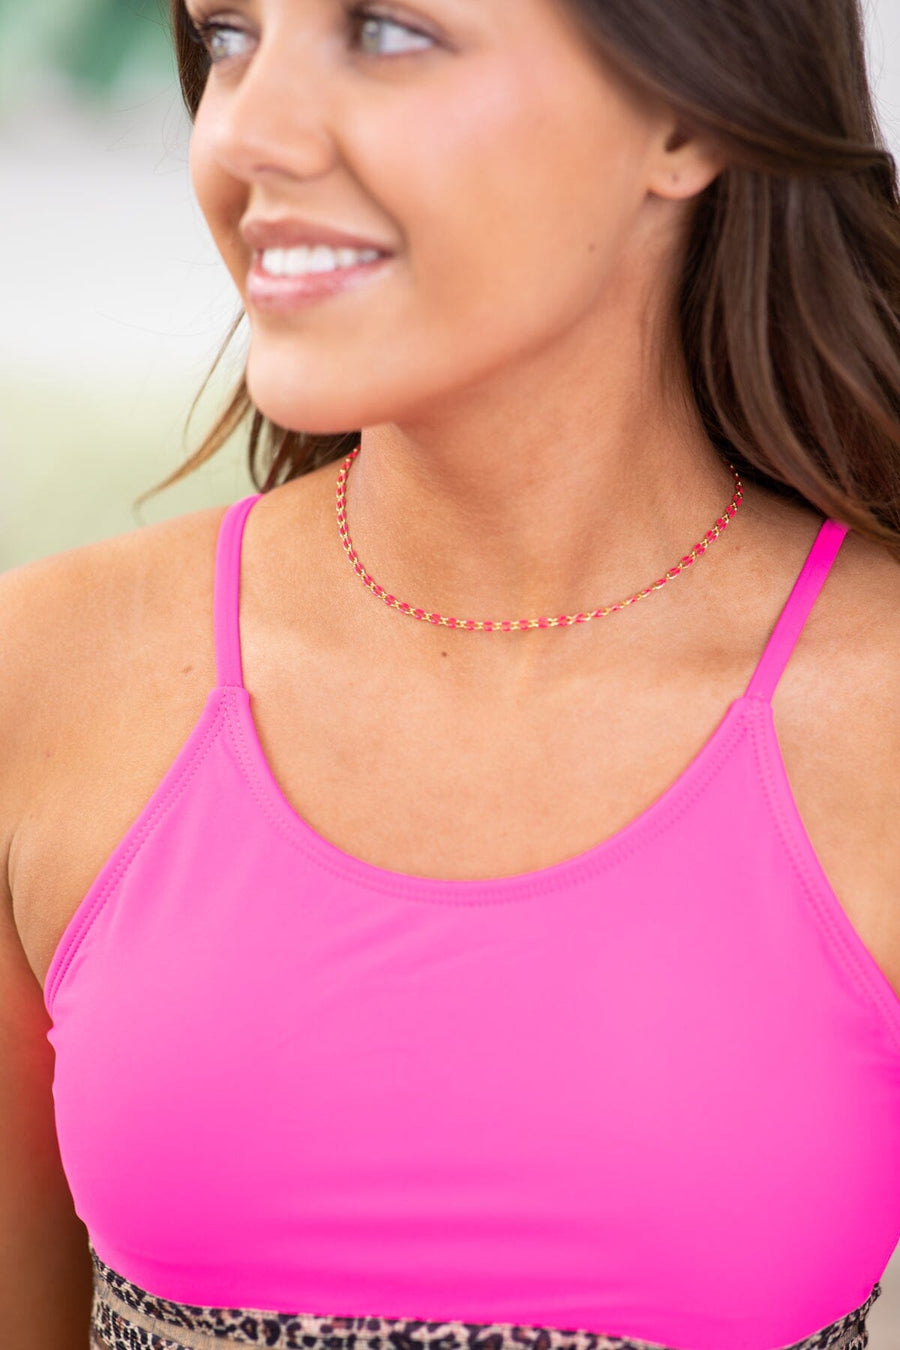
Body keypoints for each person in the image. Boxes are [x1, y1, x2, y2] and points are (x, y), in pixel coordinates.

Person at [3, 0, 900, 1346]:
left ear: (686, 114)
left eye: (387, 32)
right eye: (229, 35)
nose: (246, 133)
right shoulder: (45, 676)